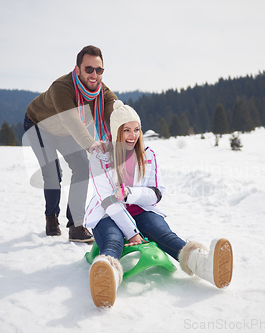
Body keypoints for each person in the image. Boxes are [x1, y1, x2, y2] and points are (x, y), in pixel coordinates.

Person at [83, 100, 234, 308]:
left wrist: (129, 194)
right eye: (126, 130)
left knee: (164, 235)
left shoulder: (148, 154)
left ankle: (205, 265)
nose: (132, 135)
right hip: (108, 213)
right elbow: (109, 202)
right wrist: (133, 233)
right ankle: (106, 278)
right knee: (113, 240)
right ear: (116, 132)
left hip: (140, 210)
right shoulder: (100, 158)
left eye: (136, 129)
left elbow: (155, 194)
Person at [24, 45, 117, 242]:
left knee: (82, 167)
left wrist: (127, 138)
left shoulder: (102, 93)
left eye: (98, 70)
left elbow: (116, 115)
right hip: (40, 125)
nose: (94, 74)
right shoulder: (62, 87)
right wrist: (90, 144)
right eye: (88, 69)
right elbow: (71, 120)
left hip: (65, 133)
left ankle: (76, 225)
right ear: (77, 69)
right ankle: (51, 218)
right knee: (52, 175)